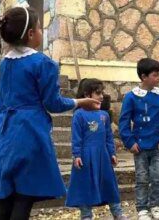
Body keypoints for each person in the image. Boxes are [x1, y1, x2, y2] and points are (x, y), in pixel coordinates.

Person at [0, 6, 100, 220]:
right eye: (39, 28)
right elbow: (53, 103)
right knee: (23, 197)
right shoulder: (43, 63)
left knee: (6, 199)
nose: (41, 32)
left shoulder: (4, 63)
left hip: (5, 133)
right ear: (30, 34)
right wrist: (80, 101)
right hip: (30, 133)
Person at [118, 58, 159, 220]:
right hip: (139, 147)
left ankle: (156, 206)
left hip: (158, 146)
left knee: (158, 177)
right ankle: (142, 208)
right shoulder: (131, 97)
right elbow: (124, 122)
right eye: (155, 75)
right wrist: (129, 142)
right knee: (142, 178)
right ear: (143, 77)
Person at [66, 79, 127, 220]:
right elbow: (76, 137)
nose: (101, 96)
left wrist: (112, 153)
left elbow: (108, 137)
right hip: (86, 157)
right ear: (87, 94)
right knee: (85, 184)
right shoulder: (79, 115)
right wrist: (77, 155)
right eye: (98, 93)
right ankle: (86, 215)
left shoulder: (104, 115)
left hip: (103, 156)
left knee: (109, 183)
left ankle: (117, 213)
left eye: (102, 93)